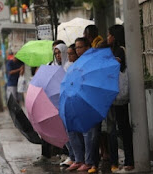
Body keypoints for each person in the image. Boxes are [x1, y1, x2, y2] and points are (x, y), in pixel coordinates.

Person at [66, 37, 100, 172]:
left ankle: (90, 161)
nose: (77, 50)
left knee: (91, 134)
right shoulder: (77, 64)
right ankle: (82, 160)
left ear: (87, 47)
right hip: (79, 101)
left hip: (91, 101)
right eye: (76, 48)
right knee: (81, 132)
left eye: (80, 47)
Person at [106, 24, 134, 173]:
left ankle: (130, 160)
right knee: (122, 127)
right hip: (117, 93)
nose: (107, 37)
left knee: (123, 128)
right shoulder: (117, 50)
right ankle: (128, 160)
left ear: (115, 36)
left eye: (109, 35)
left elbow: (113, 67)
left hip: (119, 93)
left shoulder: (119, 50)